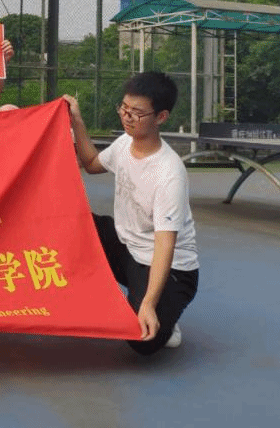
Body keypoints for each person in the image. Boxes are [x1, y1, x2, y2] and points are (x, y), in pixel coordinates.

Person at [63, 72, 199, 355]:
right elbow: (91, 163)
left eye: (137, 112)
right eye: (124, 108)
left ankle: (163, 311)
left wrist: (148, 304)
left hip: (169, 267)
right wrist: (77, 120)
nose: (127, 117)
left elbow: (165, 244)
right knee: (68, 223)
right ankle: (132, 297)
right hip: (126, 246)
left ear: (161, 117)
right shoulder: (125, 143)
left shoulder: (168, 173)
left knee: (143, 341)